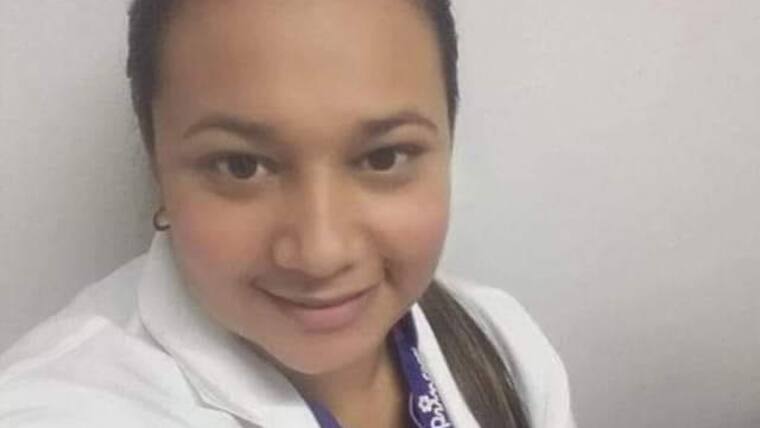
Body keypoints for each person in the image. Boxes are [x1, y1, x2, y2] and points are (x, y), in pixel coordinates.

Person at [0, 1, 575, 427]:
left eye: (383, 157)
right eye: (241, 166)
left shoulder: (505, 345)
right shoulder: (59, 407)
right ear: (158, 166)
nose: (321, 253)